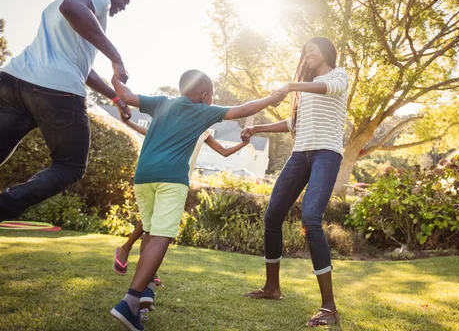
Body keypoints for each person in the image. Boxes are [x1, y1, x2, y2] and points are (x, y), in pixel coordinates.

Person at [108, 69, 284, 330]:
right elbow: (242, 108)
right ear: (203, 95)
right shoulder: (203, 111)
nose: (212, 101)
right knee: (161, 236)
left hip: (143, 176)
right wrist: (272, 98)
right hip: (171, 178)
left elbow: (124, 94)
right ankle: (130, 302)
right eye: (211, 96)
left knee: (149, 230)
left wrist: (115, 73)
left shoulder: (161, 102)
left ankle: (144, 291)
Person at [0, 0, 134, 269]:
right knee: (70, 165)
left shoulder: (68, 14)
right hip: (55, 92)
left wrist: (116, 98)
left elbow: (83, 68)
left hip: (13, 82)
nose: (124, 5)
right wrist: (116, 57)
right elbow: (72, 7)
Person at [242, 37, 348, 327]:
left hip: (326, 153)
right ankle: (272, 288)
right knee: (272, 215)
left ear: (325, 52)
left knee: (311, 219)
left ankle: (329, 308)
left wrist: (291, 86)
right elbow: (293, 124)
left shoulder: (338, 75)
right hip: (300, 154)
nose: (307, 55)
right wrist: (257, 128)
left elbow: (329, 88)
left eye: (311, 50)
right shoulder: (305, 89)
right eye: (305, 52)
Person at [113, 119, 250, 286]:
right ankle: (143, 268)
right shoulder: (177, 121)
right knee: (153, 224)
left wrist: (244, 143)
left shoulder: (204, 130)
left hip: (179, 180)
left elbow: (224, 151)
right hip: (161, 174)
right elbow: (150, 132)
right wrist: (129, 122)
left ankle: (133, 254)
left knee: (154, 223)